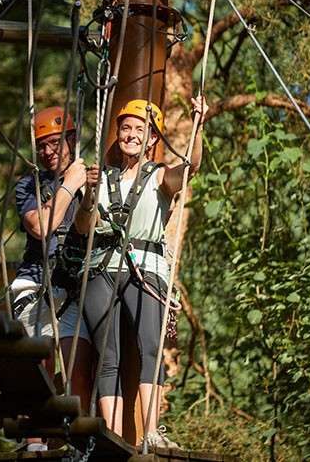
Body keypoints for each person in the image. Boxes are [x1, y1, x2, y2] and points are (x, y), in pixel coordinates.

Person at [74, 96, 207, 448]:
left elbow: (190, 168)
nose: (131, 135)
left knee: (150, 346)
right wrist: (89, 195)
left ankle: (150, 430)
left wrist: (198, 125)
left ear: (152, 139)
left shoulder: (160, 176)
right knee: (108, 357)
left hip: (145, 268)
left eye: (140, 130)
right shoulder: (101, 178)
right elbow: (84, 228)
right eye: (126, 128)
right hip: (102, 268)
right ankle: (113, 437)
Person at [12, 106, 94, 451]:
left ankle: (78, 442)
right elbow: (41, 227)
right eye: (41, 145)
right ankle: (34, 442)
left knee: (79, 369)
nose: (47, 151)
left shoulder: (92, 179)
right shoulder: (28, 185)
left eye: (54, 143)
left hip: (73, 286)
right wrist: (70, 184)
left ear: (71, 140)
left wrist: (86, 186)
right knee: (39, 367)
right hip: (35, 283)